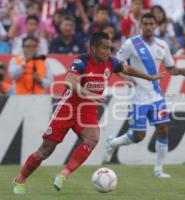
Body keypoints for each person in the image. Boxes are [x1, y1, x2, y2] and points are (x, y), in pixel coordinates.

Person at [12, 32, 165, 194]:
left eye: (110, 48)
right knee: (46, 150)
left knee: (92, 138)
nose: (109, 52)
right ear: (93, 48)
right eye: (105, 48)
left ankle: (64, 174)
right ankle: (20, 179)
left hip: (88, 111)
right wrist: (89, 93)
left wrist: (149, 77)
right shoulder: (82, 61)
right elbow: (69, 82)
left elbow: (126, 68)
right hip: (68, 109)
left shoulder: (110, 62)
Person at [104, 13, 185, 178]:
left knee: (163, 129)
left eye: (151, 23)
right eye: (146, 23)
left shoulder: (163, 45)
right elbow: (115, 64)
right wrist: (125, 77)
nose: (148, 26)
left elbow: (170, 67)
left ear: (155, 25)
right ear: (141, 25)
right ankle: (112, 143)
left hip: (156, 95)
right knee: (139, 136)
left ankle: (158, 170)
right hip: (138, 96)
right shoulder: (130, 44)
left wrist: (179, 71)